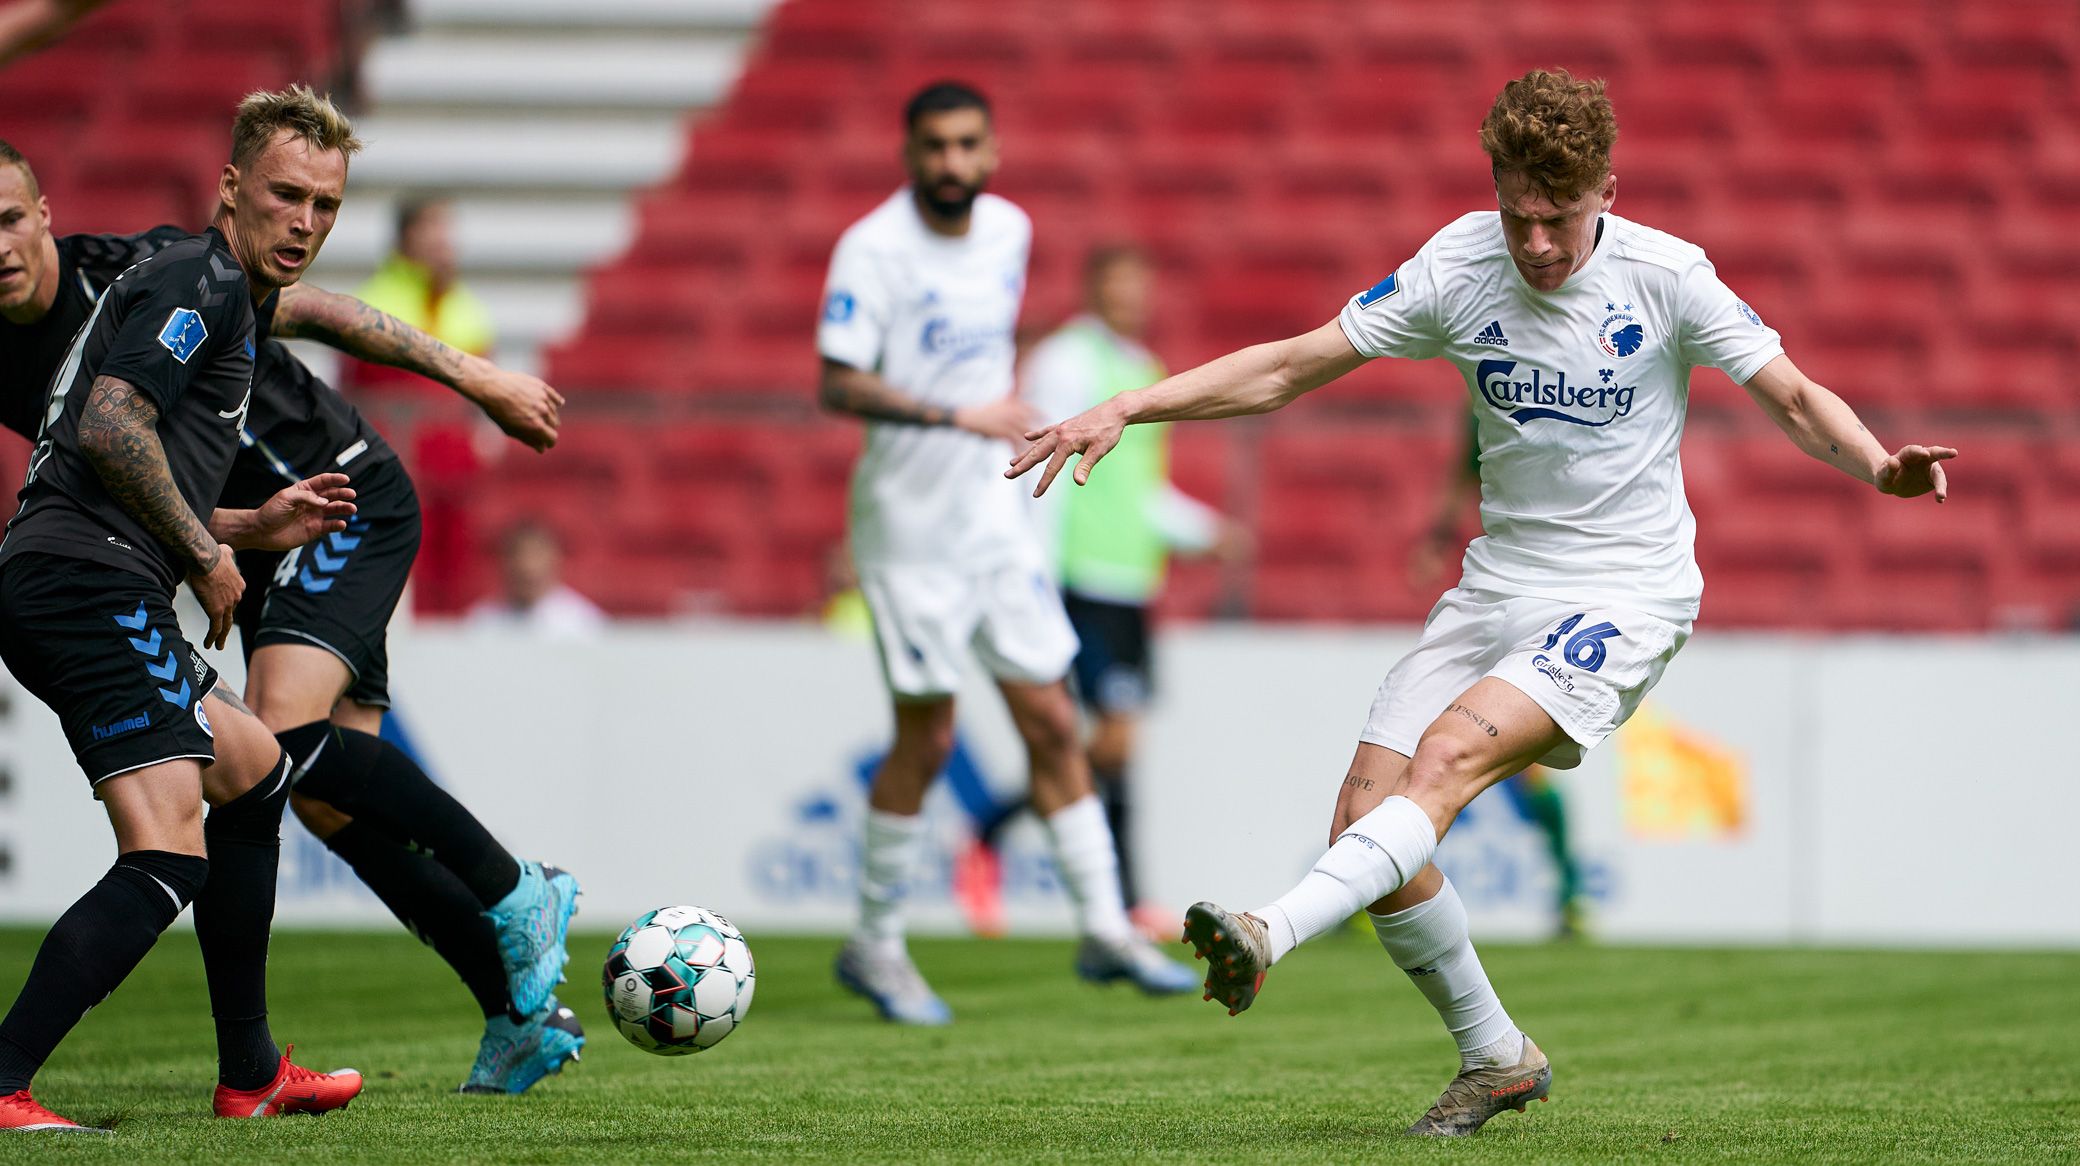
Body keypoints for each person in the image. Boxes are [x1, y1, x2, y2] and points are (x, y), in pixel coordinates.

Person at [1011, 69, 1956, 1136]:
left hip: (1625, 590)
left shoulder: (1667, 276)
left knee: (1444, 765)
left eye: (1558, 217)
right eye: (1517, 214)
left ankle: (1267, 929)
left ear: (1605, 187)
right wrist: (1132, 404)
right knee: (1366, 829)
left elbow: (1787, 392)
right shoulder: (1457, 264)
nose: (1537, 242)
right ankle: (1496, 1055)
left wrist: (1878, 464)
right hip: (1495, 583)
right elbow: (1288, 368)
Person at [0, 101, 580, 1096]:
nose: (0, 245)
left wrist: (473, 375)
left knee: (271, 746)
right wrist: (220, 538)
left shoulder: (156, 268)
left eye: (9, 217)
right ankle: (510, 1004)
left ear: (44, 215)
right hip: (243, 531)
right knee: (298, 786)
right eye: (291, 196)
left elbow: (313, 307)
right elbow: (109, 449)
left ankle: (512, 892)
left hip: (333, 497)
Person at [0, 89, 371, 1132]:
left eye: (326, 206)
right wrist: (208, 552)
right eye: (286, 195)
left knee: (251, 772)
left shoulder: (213, 294)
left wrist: (247, 524)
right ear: (230, 190)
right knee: (168, 850)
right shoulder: (199, 276)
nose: (304, 221)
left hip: (76, 567)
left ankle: (250, 1072)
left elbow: (101, 452)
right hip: (86, 582)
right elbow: (114, 424)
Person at [817, 80, 1195, 1024]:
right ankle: (876, 946)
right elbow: (837, 382)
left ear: (992, 151)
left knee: (1053, 721)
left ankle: (1107, 931)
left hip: (991, 522)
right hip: (909, 530)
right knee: (930, 734)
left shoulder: (1010, 232)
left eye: (967, 146)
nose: (952, 163)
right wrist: (959, 415)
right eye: (935, 147)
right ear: (909, 152)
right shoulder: (872, 249)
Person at [1022, 244, 1239, 940]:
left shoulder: (1143, 373)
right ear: (1092, 288)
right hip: (1079, 577)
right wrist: (1034, 570)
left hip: (1130, 581)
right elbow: (1039, 469)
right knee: (1109, 740)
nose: (1132, 296)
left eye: (1139, 284)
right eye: (1118, 282)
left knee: (1120, 747)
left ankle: (1121, 901)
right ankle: (996, 830)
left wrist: (1203, 531)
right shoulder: (1064, 362)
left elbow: (1140, 494)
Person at [1412, 413, 1587, 938]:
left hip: (1550, 599)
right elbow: (1461, 480)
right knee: (1439, 756)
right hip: (1494, 593)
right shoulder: (1490, 393)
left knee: (1483, 763)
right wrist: (1439, 539)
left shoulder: (1575, 393)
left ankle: (1571, 890)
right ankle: (1374, 889)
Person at [464, 518, 606, 638]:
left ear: (555, 558)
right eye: (519, 555)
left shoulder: (583, 623)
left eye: (537, 554)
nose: (527, 567)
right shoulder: (483, 621)